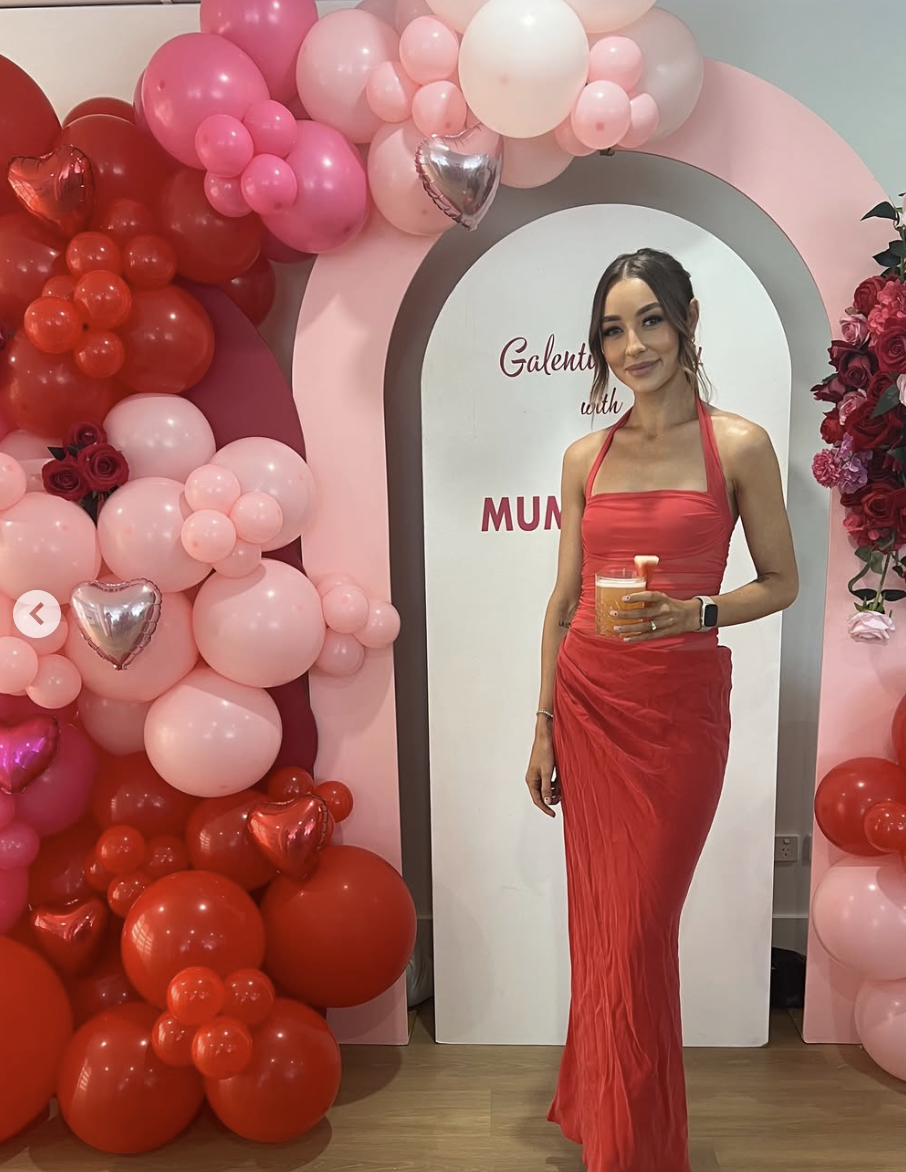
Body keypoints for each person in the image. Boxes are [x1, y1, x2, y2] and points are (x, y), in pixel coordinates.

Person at [525, 248, 799, 1172]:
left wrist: (698, 613)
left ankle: (629, 1143)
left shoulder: (739, 447)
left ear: (686, 321)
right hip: (589, 702)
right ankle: (616, 1131)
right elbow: (563, 601)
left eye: (649, 320)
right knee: (602, 931)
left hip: (680, 714)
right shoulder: (584, 457)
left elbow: (782, 581)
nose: (632, 345)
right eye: (612, 327)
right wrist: (541, 727)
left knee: (636, 931)